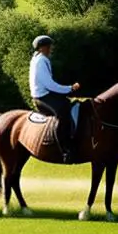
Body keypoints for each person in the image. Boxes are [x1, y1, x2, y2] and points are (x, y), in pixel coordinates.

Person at [29, 35, 80, 163]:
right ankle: (64, 149)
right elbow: (49, 84)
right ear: (41, 48)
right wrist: (70, 88)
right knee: (63, 113)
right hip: (43, 97)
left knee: (67, 104)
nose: (50, 48)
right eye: (48, 46)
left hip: (44, 94)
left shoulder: (39, 59)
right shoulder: (40, 61)